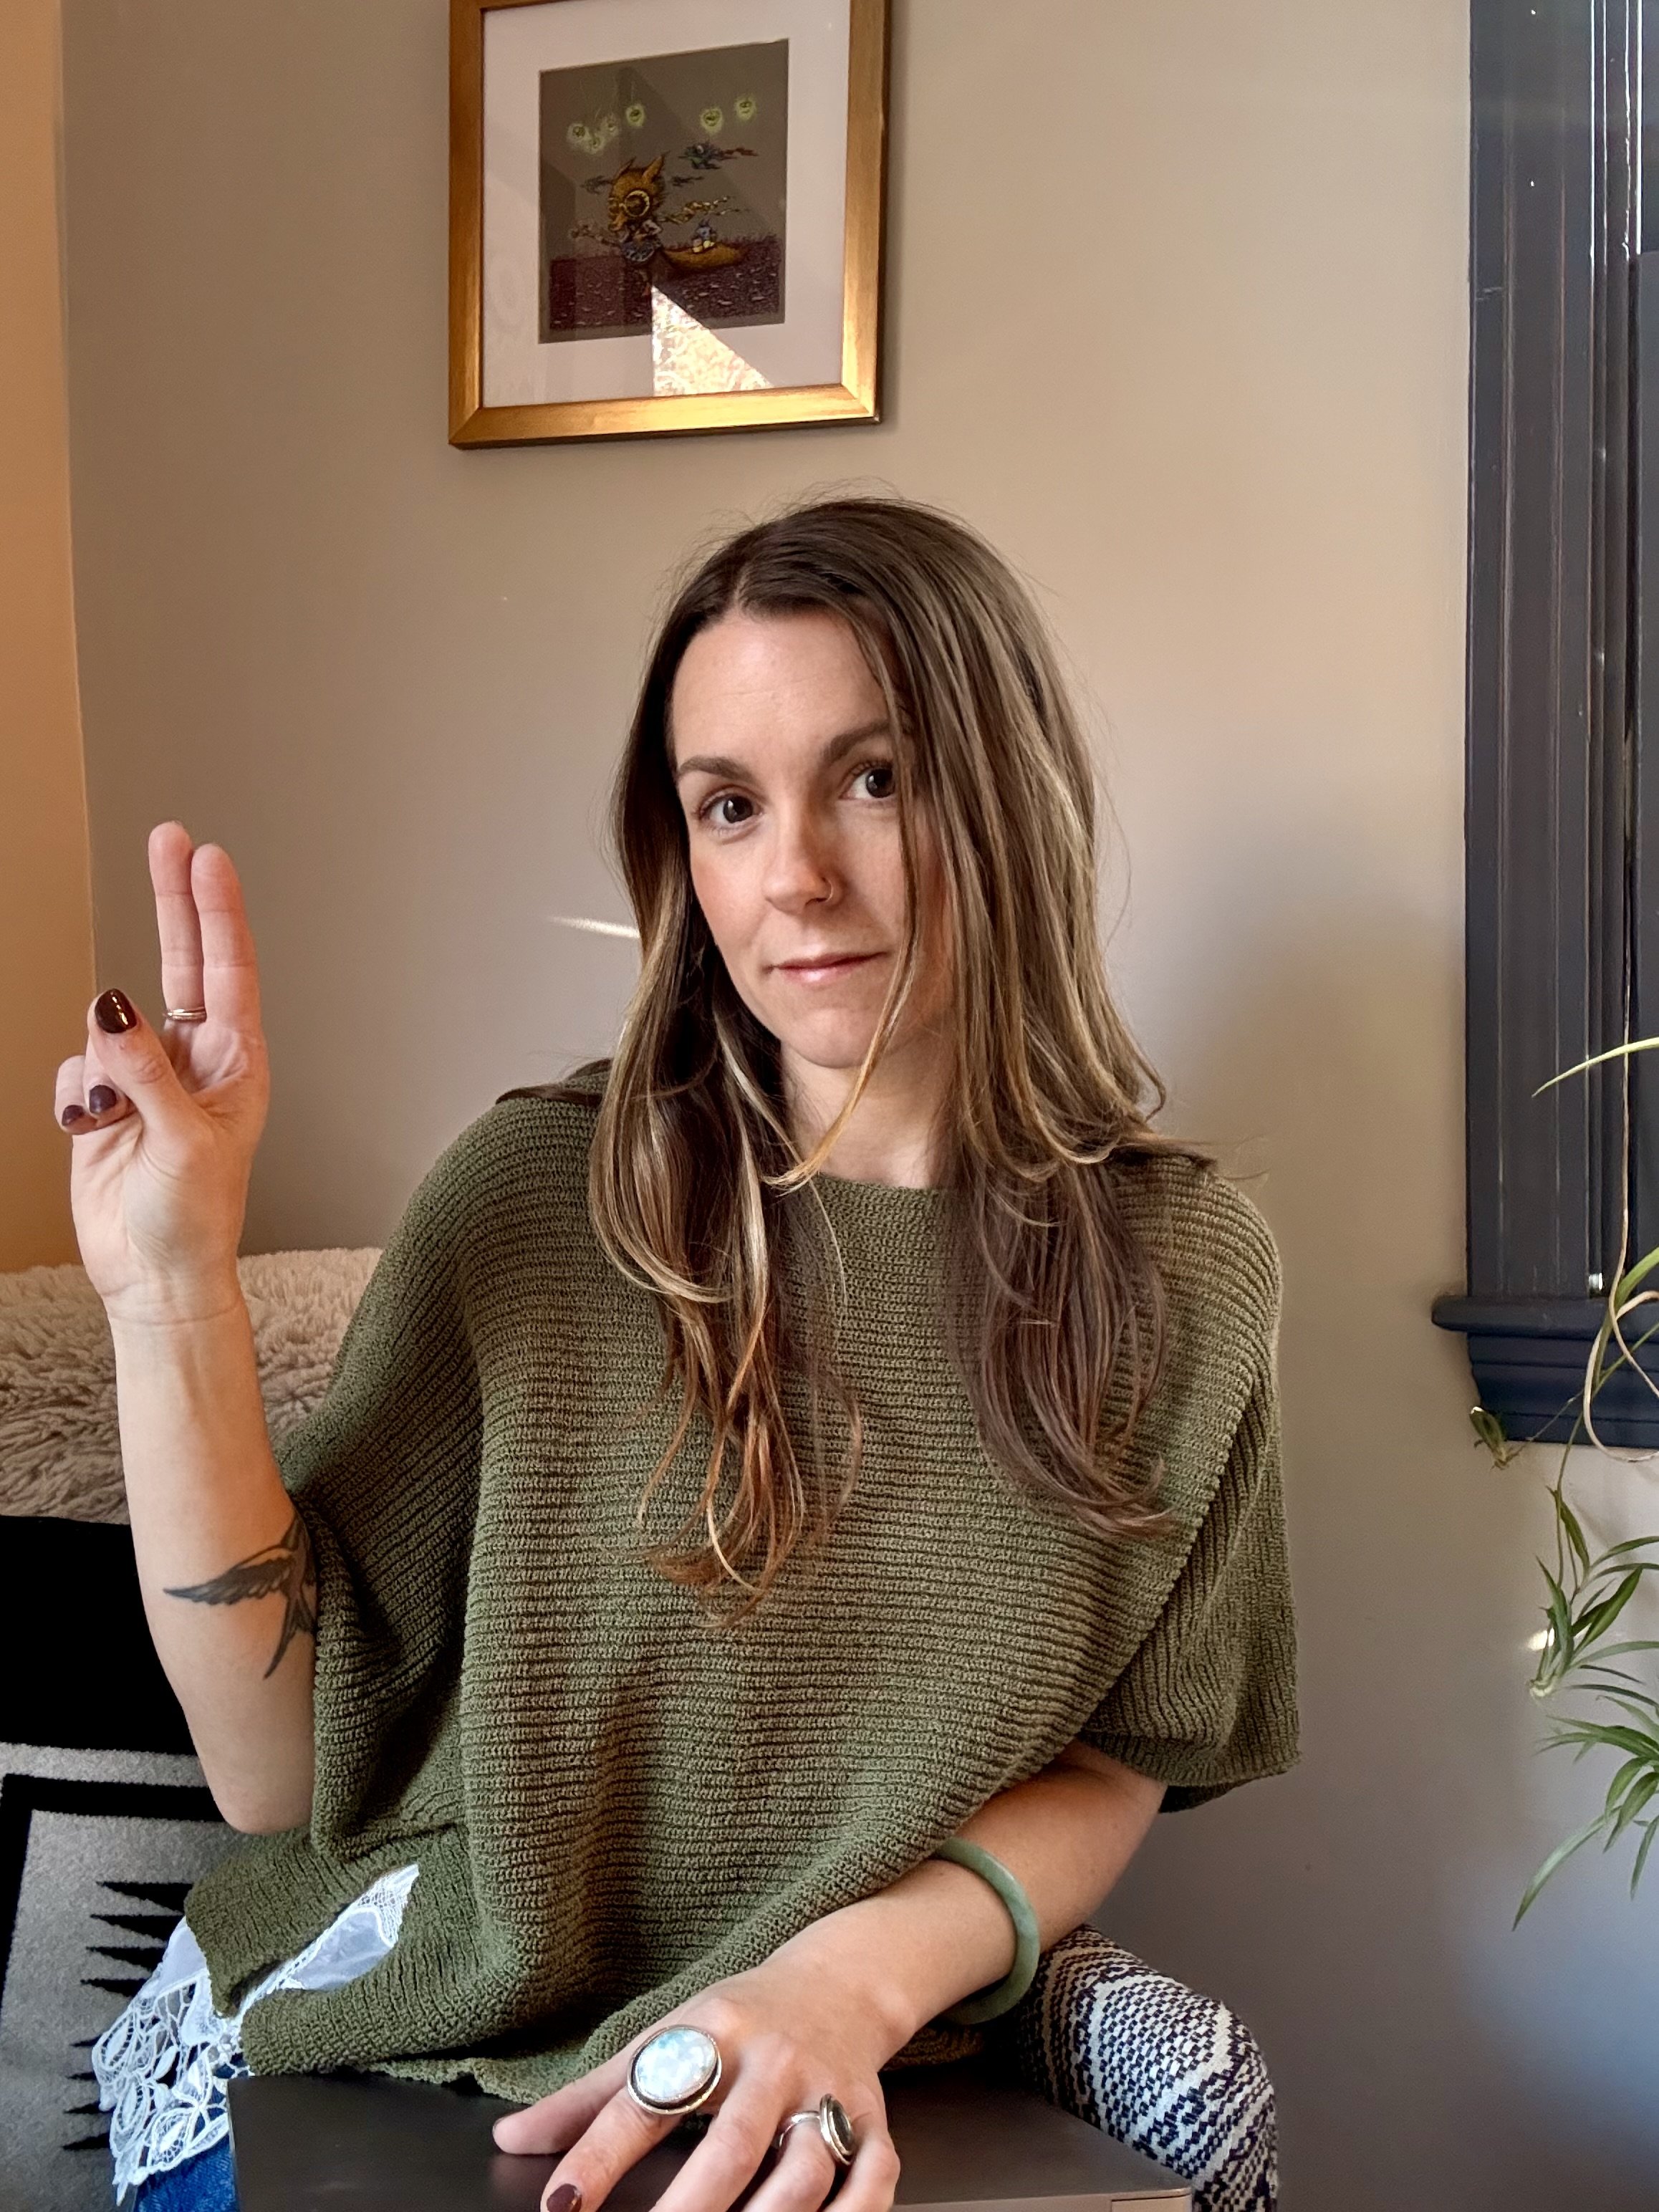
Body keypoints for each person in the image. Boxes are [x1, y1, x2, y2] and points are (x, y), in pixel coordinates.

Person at [57, 496, 1297, 2212]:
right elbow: (272, 1772)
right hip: (396, 2042)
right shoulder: (533, 1200)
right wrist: (169, 1286)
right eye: (730, 805)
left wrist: (849, 1978)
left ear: (1007, 788)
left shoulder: (1185, 1276)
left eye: (876, 777)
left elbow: (1118, 1756)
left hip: (848, 2029)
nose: (795, 874)